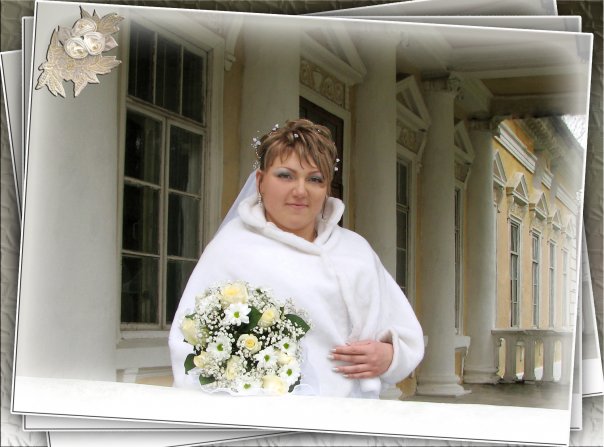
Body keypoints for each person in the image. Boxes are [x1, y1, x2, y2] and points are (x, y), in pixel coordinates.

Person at [168, 119, 424, 398]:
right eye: (285, 176)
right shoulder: (231, 249)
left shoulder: (355, 250)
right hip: (264, 419)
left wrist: (390, 356)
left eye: (315, 179)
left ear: (327, 188)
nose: (300, 191)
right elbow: (189, 342)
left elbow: (404, 331)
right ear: (260, 181)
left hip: (353, 413)